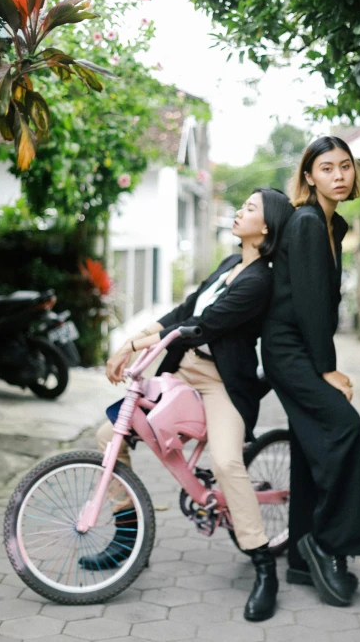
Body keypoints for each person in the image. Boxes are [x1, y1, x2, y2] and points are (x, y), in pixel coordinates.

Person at [81, 187, 294, 623]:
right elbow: (186, 308)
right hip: (183, 370)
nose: (239, 210)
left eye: (250, 208)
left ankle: (263, 566)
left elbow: (203, 325)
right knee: (109, 437)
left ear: (267, 227)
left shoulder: (260, 280)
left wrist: (138, 344)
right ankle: (126, 539)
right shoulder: (232, 263)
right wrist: (131, 340)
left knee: (226, 463)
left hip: (222, 383)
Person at [261, 136, 360, 608]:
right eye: (327, 168)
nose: (339, 176)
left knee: (309, 446)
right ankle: (329, 546)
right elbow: (307, 305)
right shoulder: (307, 222)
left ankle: (303, 560)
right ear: (309, 177)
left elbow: (321, 308)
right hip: (290, 351)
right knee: (346, 430)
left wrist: (327, 363)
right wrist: (326, 370)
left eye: (345, 166)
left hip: (300, 347)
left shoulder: (332, 224)